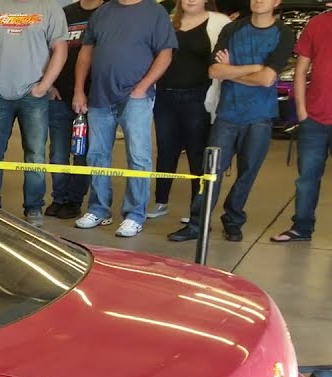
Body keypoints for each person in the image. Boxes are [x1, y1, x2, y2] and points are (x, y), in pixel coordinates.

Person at [167, 0, 294, 243]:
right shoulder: (233, 29)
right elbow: (214, 71)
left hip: (260, 116)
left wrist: (233, 72)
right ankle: (197, 223)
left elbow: (267, 79)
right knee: (210, 172)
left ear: (276, 2)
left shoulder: (283, 33)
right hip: (227, 114)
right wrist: (255, 68)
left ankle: (233, 220)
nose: (259, 1)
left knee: (247, 173)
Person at [71, 0, 177, 238]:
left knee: (139, 157)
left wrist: (142, 88)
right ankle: (98, 210)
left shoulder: (155, 12)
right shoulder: (103, 12)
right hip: (99, 95)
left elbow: (165, 54)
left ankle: (134, 215)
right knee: (96, 155)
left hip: (136, 98)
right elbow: (85, 54)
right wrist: (79, 90)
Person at [0, 0, 68, 226]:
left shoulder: (50, 8)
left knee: (35, 155)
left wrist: (44, 86)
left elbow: (60, 50)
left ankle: (34, 208)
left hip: (33, 96)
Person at [149, 0, 229, 220]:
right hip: (165, 96)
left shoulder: (219, 22)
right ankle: (160, 202)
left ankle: (198, 209)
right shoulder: (167, 22)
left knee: (197, 153)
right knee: (166, 150)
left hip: (198, 98)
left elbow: (222, 61)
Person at [270, 6, 332, 243]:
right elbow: (301, 68)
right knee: (306, 179)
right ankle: (301, 228)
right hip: (314, 118)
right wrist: (302, 111)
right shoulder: (317, 24)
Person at [45, 0, 104, 221]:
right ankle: (59, 197)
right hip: (59, 94)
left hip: (91, 98)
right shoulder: (66, 13)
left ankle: (74, 200)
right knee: (58, 153)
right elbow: (48, 48)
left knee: (82, 154)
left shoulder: (106, 11)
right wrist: (48, 83)